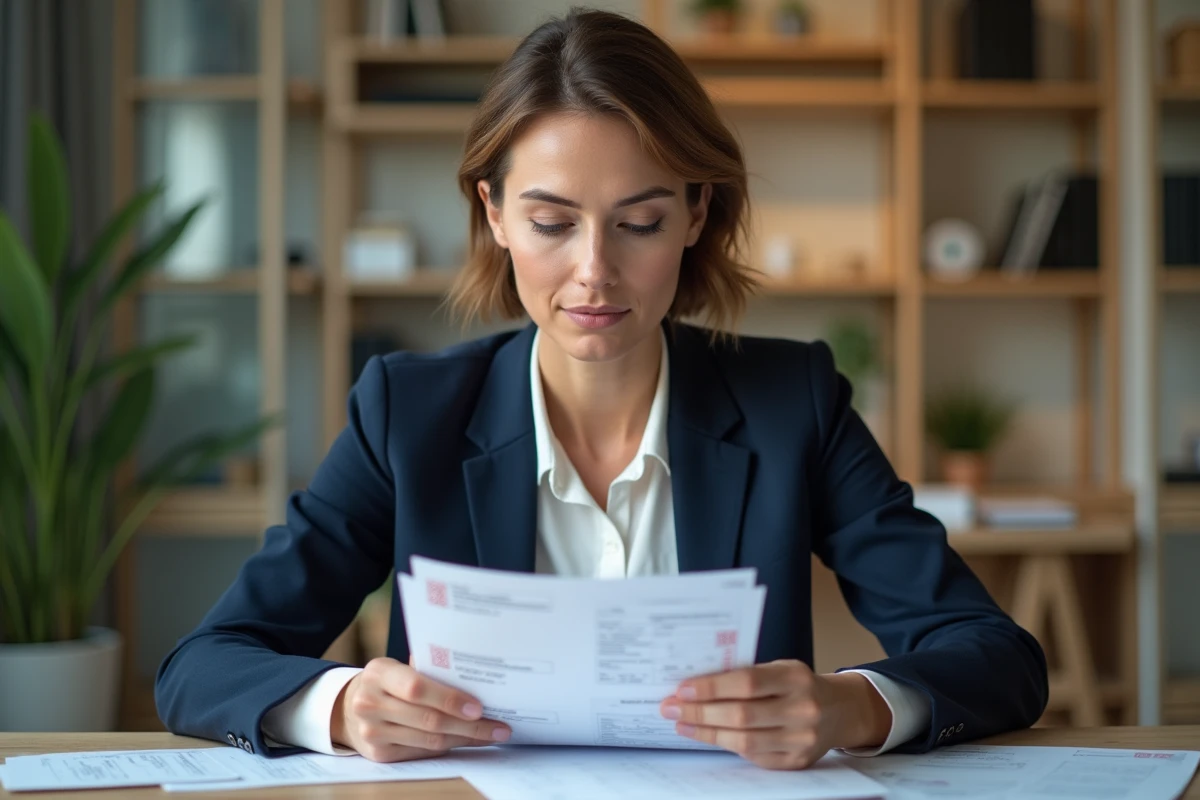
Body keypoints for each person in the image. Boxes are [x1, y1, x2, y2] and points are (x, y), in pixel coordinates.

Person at [156, 7, 1048, 771]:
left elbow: (997, 657)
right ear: (494, 213)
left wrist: (855, 707)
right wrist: (344, 707)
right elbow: (206, 664)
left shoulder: (791, 403)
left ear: (698, 215)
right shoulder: (407, 414)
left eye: (641, 222)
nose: (594, 272)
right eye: (551, 222)